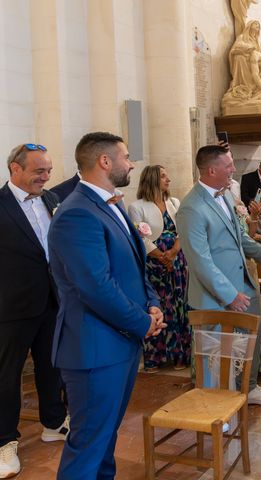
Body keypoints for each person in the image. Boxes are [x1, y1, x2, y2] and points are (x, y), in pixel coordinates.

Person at [48, 132, 166, 479]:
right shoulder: (77, 213)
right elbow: (95, 286)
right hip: (94, 348)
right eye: (126, 156)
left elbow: (134, 264)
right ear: (104, 161)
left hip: (118, 342)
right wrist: (141, 322)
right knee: (88, 443)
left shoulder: (108, 205)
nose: (131, 163)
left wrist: (153, 304)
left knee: (104, 439)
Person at [175, 144, 261, 406]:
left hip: (244, 286)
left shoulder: (225, 196)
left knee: (247, 342)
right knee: (216, 351)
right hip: (214, 295)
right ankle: (214, 404)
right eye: (228, 165)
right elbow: (199, 260)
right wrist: (228, 294)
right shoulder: (191, 208)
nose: (234, 169)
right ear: (212, 169)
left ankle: (248, 388)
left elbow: (241, 239)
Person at [0, 144, 69, 478]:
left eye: (48, 170)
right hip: (10, 308)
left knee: (51, 366)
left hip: (51, 301)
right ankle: (4, 442)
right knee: (6, 376)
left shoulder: (51, 200)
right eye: (38, 171)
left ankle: (54, 422)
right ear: (15, 169)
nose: (46, 177)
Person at [127, 165, 190, 373]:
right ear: (153, 179)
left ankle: (180, 354)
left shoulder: (174, 202)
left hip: (177, 260)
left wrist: (172, 253)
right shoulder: (137, 206)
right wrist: (161, 256)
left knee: (178, 306)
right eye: (163, 176)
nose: (168, 179)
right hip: (154, 264)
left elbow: (183, 230)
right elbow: (140, 237)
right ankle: (155, 356)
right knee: (159, 306)